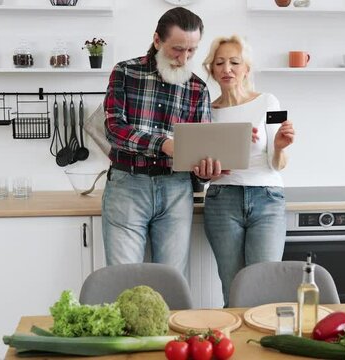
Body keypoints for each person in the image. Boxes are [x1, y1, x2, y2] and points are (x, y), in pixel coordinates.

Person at [102, 7, 221, 277]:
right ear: (157, 40)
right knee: (122, 280)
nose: (184, 58)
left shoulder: (197, 88)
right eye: (177, 49)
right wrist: (164, 144)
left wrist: (204, 171)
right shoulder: (125, 72)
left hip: (177, 190)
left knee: (171, 282)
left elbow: (200, 145)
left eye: (192, 50)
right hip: (127, 186)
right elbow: (113, 128)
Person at [197, 35, 295, 306]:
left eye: (234, 62)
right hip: (221, 201)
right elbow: (201, 169)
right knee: (233, 289)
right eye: (220, 63)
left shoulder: (268, 102)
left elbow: (278, 163)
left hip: (267, 199)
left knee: (264, 287)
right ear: (212, 70)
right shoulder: (206, 111)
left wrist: (279, 146)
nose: (227, 68)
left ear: (246, 69)